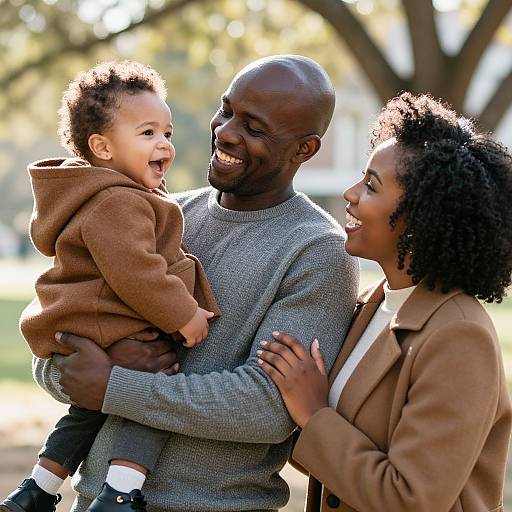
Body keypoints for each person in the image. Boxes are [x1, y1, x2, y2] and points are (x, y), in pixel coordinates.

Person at [30, 55, 359, 511]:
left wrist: (114, 384)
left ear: (304, 149)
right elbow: (61, 338)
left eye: (254, 128)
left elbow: (266, 407)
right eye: (226, 110)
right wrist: (88, 365)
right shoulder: (152, 213)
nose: (225, 132)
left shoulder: (318, 251)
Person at [258, 92, 512, 512]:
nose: (351, 192)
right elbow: (340, 464)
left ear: (423, 214)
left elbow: (411, 499)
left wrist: (313, 413)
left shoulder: (459, 335)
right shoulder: (371, 305)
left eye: (371, 185)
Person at [1, 61, 221, 512]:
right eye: (147, 133)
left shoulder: (106, 195)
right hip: (109, 323)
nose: (164, 144)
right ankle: (120, 492)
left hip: (89, 322)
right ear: (101, 146)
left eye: (168, 132)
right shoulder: (117, 201)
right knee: (156, 396)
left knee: (85, 412)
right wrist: (184, 313)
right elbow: (136, 272)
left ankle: (38, 488)